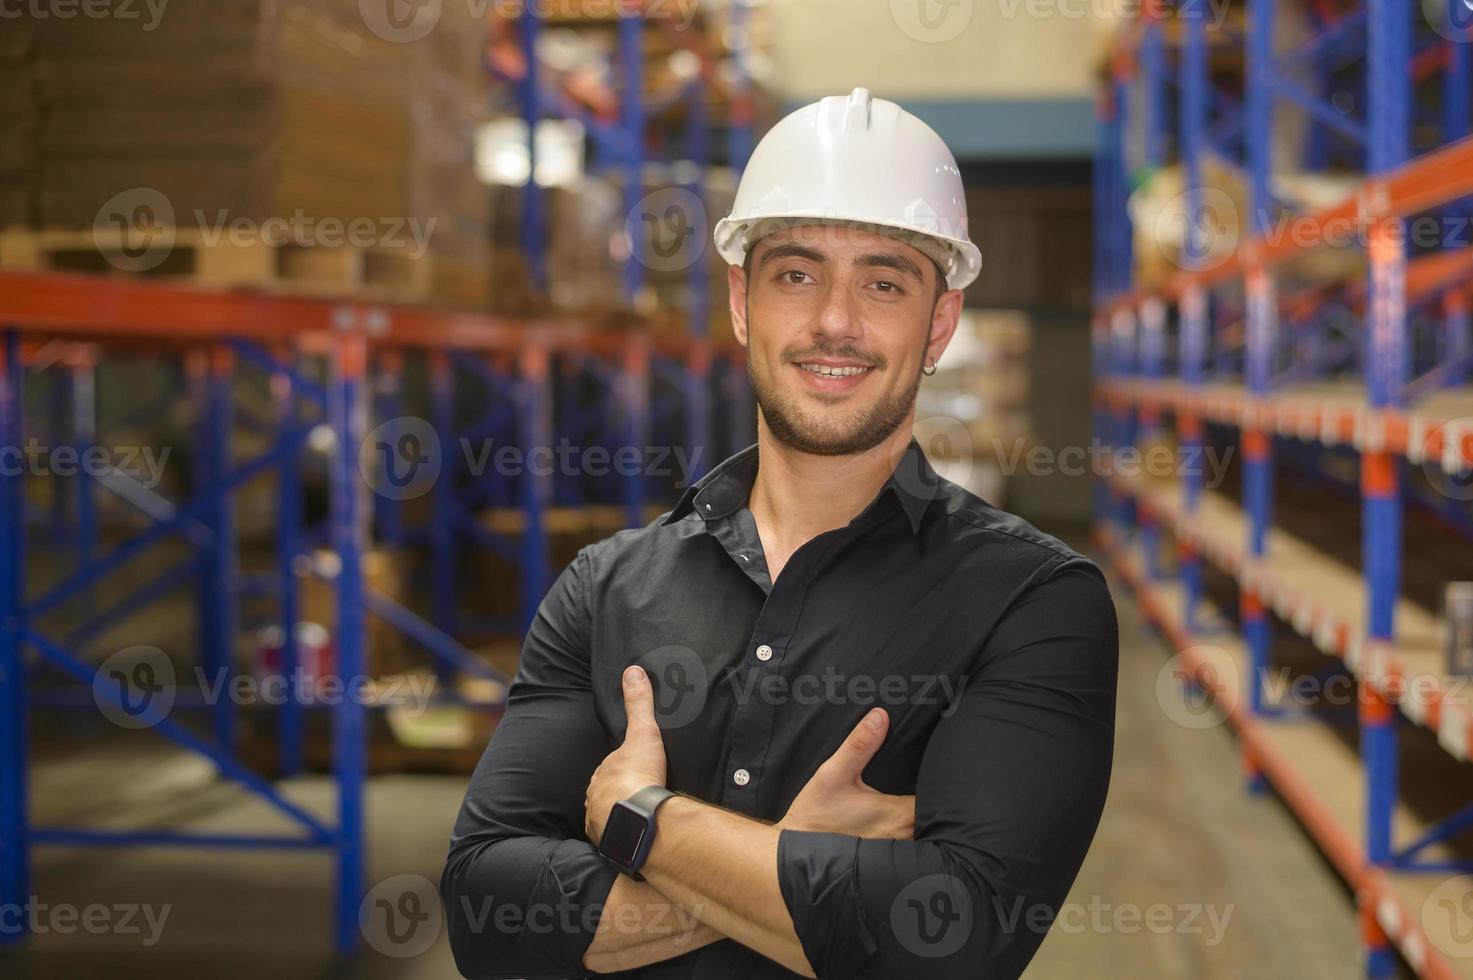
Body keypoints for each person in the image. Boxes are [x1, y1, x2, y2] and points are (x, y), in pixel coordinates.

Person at [441, 87, 1119, 980]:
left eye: (883, 282)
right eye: (795, 274)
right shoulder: (604, 589)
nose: (834, 321)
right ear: (740, 303)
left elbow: (958, 938)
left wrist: (643, 817)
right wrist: (790, 862)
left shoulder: (1031, 605)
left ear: (939, 324)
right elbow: (486, 914)